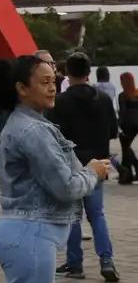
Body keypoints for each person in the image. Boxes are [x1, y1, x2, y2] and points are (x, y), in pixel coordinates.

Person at [0, 55, 111, 283]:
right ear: (22, 88)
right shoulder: (33, 131)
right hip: (30, 234)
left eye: (54, 81)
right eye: (44, 82)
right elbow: (65, 187)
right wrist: (93, 171)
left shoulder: (29, 124)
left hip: (26, 233)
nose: (52, 88)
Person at [50, 53, 119, 281]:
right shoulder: (104, 99)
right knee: (97, 214)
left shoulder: (59, 102)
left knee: (73, 215)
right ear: (89, 72)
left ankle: (75, 263)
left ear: (67, 73)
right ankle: (106, 260)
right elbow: (112, 131)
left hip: (71, 165)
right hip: (98, 164)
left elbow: (54, 136)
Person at [119, 72, 138, 185]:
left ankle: (130, 171)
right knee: (126, 148)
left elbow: (123, 112)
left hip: (128, 124)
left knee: (126, 147)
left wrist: (119, 126)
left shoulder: (123, 95)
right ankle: (127, 174)